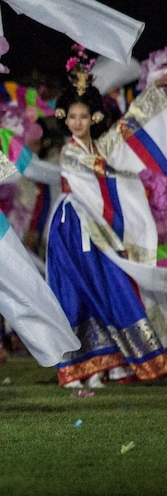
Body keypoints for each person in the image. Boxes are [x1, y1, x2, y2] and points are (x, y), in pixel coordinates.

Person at [46, 44, 167, 388]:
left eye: (83, 116)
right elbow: (107, 165)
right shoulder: (72, 152)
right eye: (72, 117)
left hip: (97, 230)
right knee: (75, 292)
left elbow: (128, 129)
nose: (78, 122)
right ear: (64, 119)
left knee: (107, 287)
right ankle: (74, 368)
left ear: (94, 118)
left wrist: (153, 93)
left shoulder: (100, 146)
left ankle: (112, 362)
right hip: (73, 231)